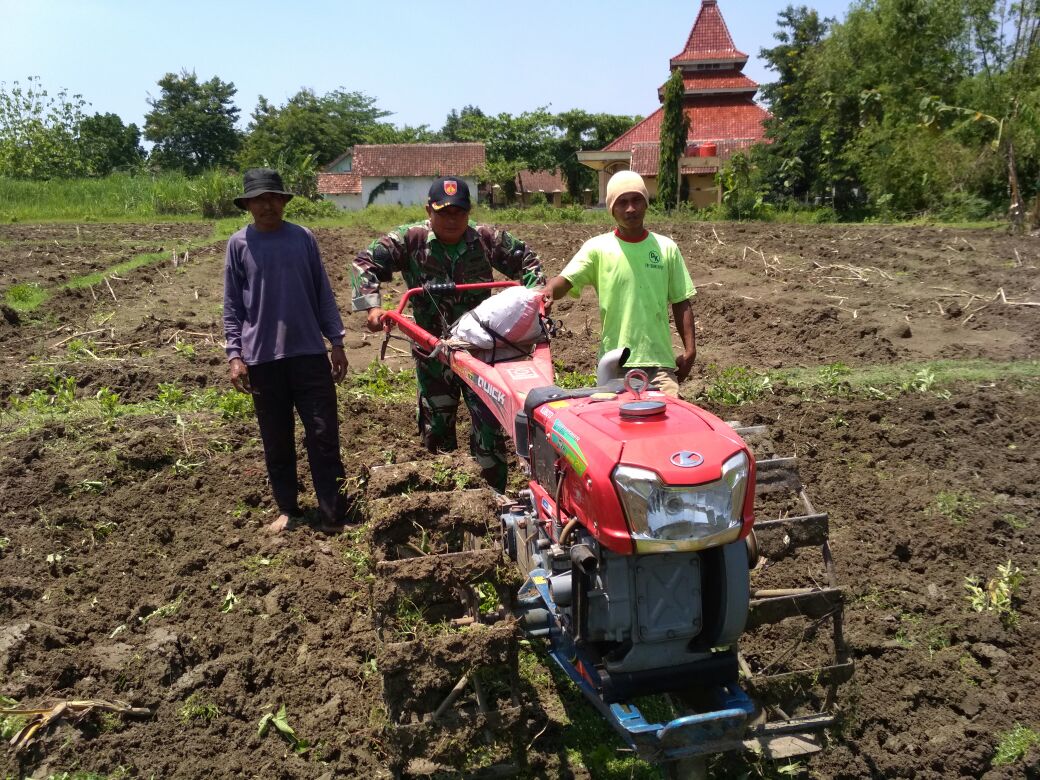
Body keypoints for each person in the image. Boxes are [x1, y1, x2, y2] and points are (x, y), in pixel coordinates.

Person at [351, 177, 544, 492]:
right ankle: (444, 496)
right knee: (436, 426)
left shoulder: (486, 239)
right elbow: (364, 262)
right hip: (433, 352)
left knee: (489, 427)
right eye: (443, 212)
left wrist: (537, 298)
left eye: (459, 212)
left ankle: (493, 495)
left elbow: (528, 261)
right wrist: (372, 307)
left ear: (469, 212)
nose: (452, 219)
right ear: (429, 210)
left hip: (480, 352)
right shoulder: (410, 239)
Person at [223, 168, 350, 534]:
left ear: (283, 201)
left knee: (323, 435)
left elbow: (323, 292)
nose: (268, 206)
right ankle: (288, 509)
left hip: (308, 353)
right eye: (260, 200)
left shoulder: (303, 238)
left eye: (274, 198)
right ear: (248, 205)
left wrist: (337, 342)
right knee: (276, 440)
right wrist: (235, 355)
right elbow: (233, 306)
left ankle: (332, 514)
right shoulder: (239, 244)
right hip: (262, 359)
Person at [542, 170, 696, 397]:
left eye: (636, 200)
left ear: (646, 203)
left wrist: (690, 350)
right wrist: (548, 291)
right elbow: (566, 280)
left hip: (659, 364)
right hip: (614, 364)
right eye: (622, 202)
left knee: (667, 414)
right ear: (611, 209)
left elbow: (681, 301)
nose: (630, 208)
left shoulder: (666, 248)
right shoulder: (597, 248)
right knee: (615, 419)